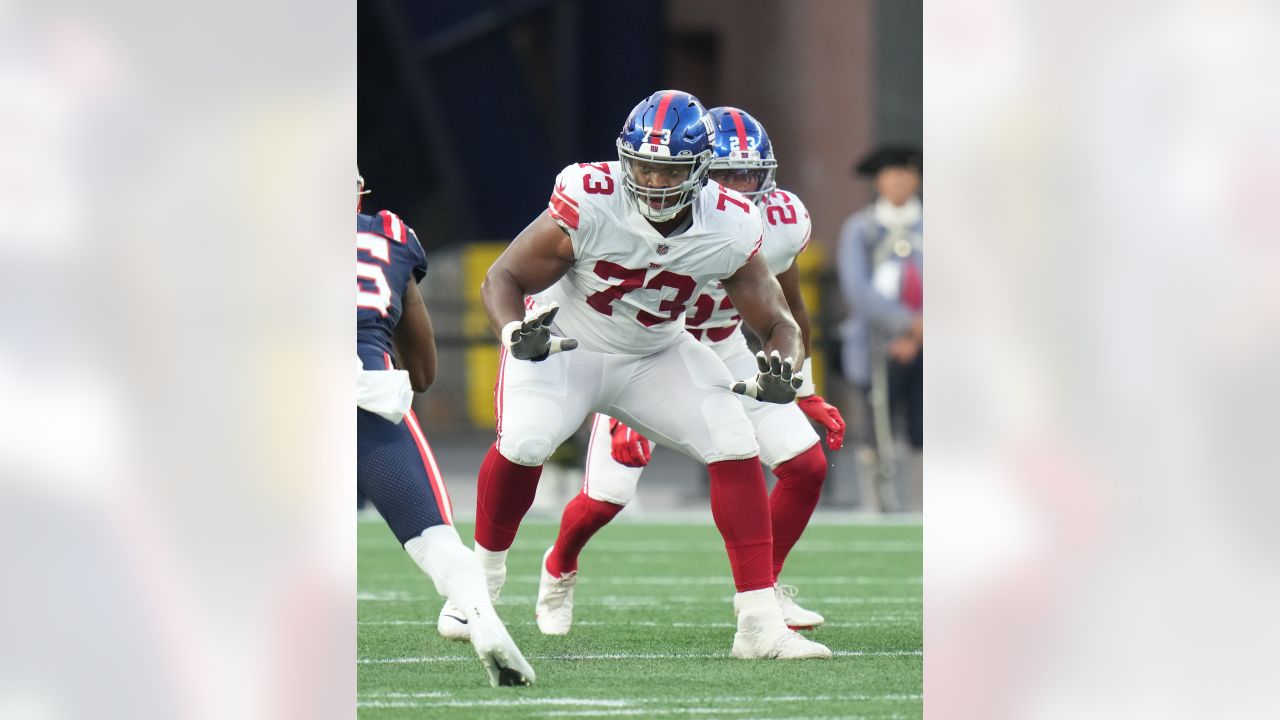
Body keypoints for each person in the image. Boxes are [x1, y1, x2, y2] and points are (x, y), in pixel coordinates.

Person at [438, 90, 831, 660]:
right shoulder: (591, 197)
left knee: (734, 440)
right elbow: (502, 277)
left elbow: (778, 320)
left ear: (699, 170)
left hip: (655, 351)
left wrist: (785, 368)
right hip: (567, 343)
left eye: (667, 167)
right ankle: (477, 585)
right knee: (525, 442)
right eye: (641, 162)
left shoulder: (730, 221)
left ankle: (758, 625)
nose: (649, 177)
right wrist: (512, 333)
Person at [531, 107, 847, 637]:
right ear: (697, 171)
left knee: (805, 465)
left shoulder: (781, 221)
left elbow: (788, 311)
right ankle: (559, 564)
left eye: (750, 175)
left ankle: (761, 593)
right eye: (726, 176)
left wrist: (803, 388)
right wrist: (629, 410)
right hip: (649, 347)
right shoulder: (660, 213)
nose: (739, 189)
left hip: (722, 345)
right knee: (608, 497)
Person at [355, 170, 536, 686]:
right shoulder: (389, 234)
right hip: (368, 389)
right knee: (434, 537)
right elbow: (425, 372)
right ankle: (483, 622)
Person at [835, 146, 923, 512]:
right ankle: (879, 503)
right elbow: (858, 289)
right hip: (875, 343)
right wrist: (905, 324)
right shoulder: (862, 228)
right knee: (876, 426)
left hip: (929, 342)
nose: (899, 179)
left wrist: (921, 332)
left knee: (924, 425)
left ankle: (925, 505)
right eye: (891, 173)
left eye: (906, 171)